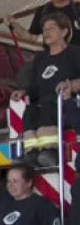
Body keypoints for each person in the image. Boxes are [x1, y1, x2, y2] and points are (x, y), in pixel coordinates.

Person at [10, 12, 80, 167]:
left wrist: (72, 84)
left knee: (48, 107)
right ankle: (32, 153)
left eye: (51, 28)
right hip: (44, 104)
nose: (46, 32)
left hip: (67, 104)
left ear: (64, 31)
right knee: (30, 112)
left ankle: (50, 150)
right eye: (44, 29)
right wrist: (23, 92)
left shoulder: (75, 53)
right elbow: (35, 86)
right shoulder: (40, 58)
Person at [5, 0, 80, 46]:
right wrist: (13, 24)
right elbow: (31, 37)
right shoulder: (43, 11)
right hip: (57, 56)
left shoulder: (77, 4)